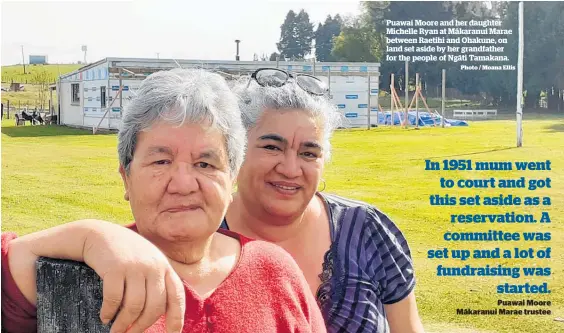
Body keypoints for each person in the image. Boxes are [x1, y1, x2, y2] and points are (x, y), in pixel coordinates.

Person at [1, 68, 326, 333]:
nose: (183, 184)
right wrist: (88, 235)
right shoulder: (89, 267)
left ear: (231, 179)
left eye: (205, 164)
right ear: (126, 177)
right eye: (161, 161)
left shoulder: (275, 271)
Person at [222, 68, 425, 333]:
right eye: (272, 147)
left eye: (309, 153)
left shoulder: (367, 231)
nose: (291, 169)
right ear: (236, 151)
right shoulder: (200, 237)